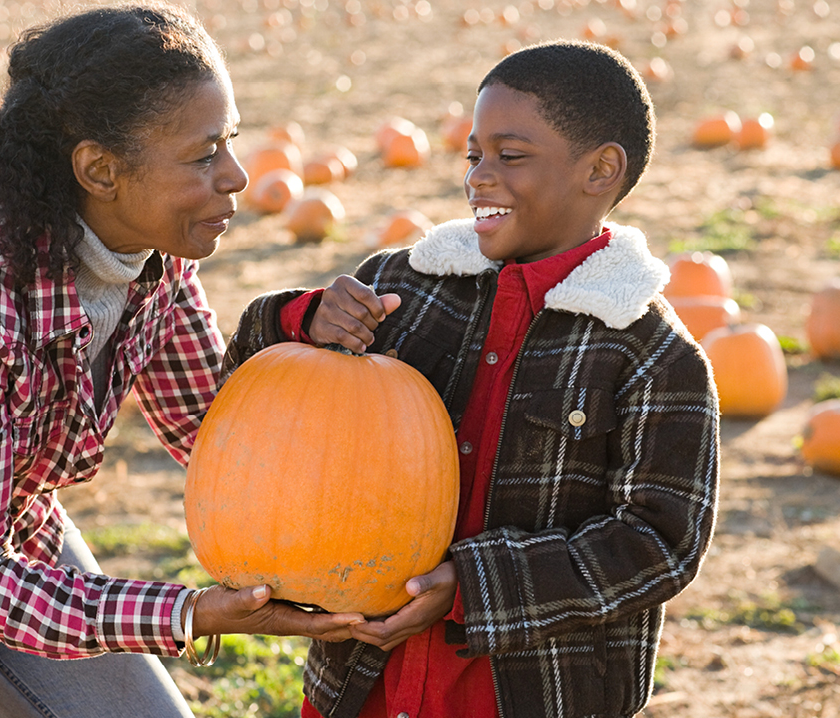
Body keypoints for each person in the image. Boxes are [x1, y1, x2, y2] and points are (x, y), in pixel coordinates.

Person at [224, 40, 720, 718]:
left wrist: (472, 586)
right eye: (473, 154)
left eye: (509, 156)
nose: (480, 177)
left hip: (530, 693)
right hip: (364, 682)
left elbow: (659, 544)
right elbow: (256, 390)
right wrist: (300, 319)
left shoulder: (652, 353)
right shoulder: (402, 287)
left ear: (600, 170)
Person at [0, 4, 362, 718]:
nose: (236, 175)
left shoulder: (157, 256)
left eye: (230, 141)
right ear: (100, 170)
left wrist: (310, 337)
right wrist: (190, 612)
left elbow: (216, 433)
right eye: (205, 154)